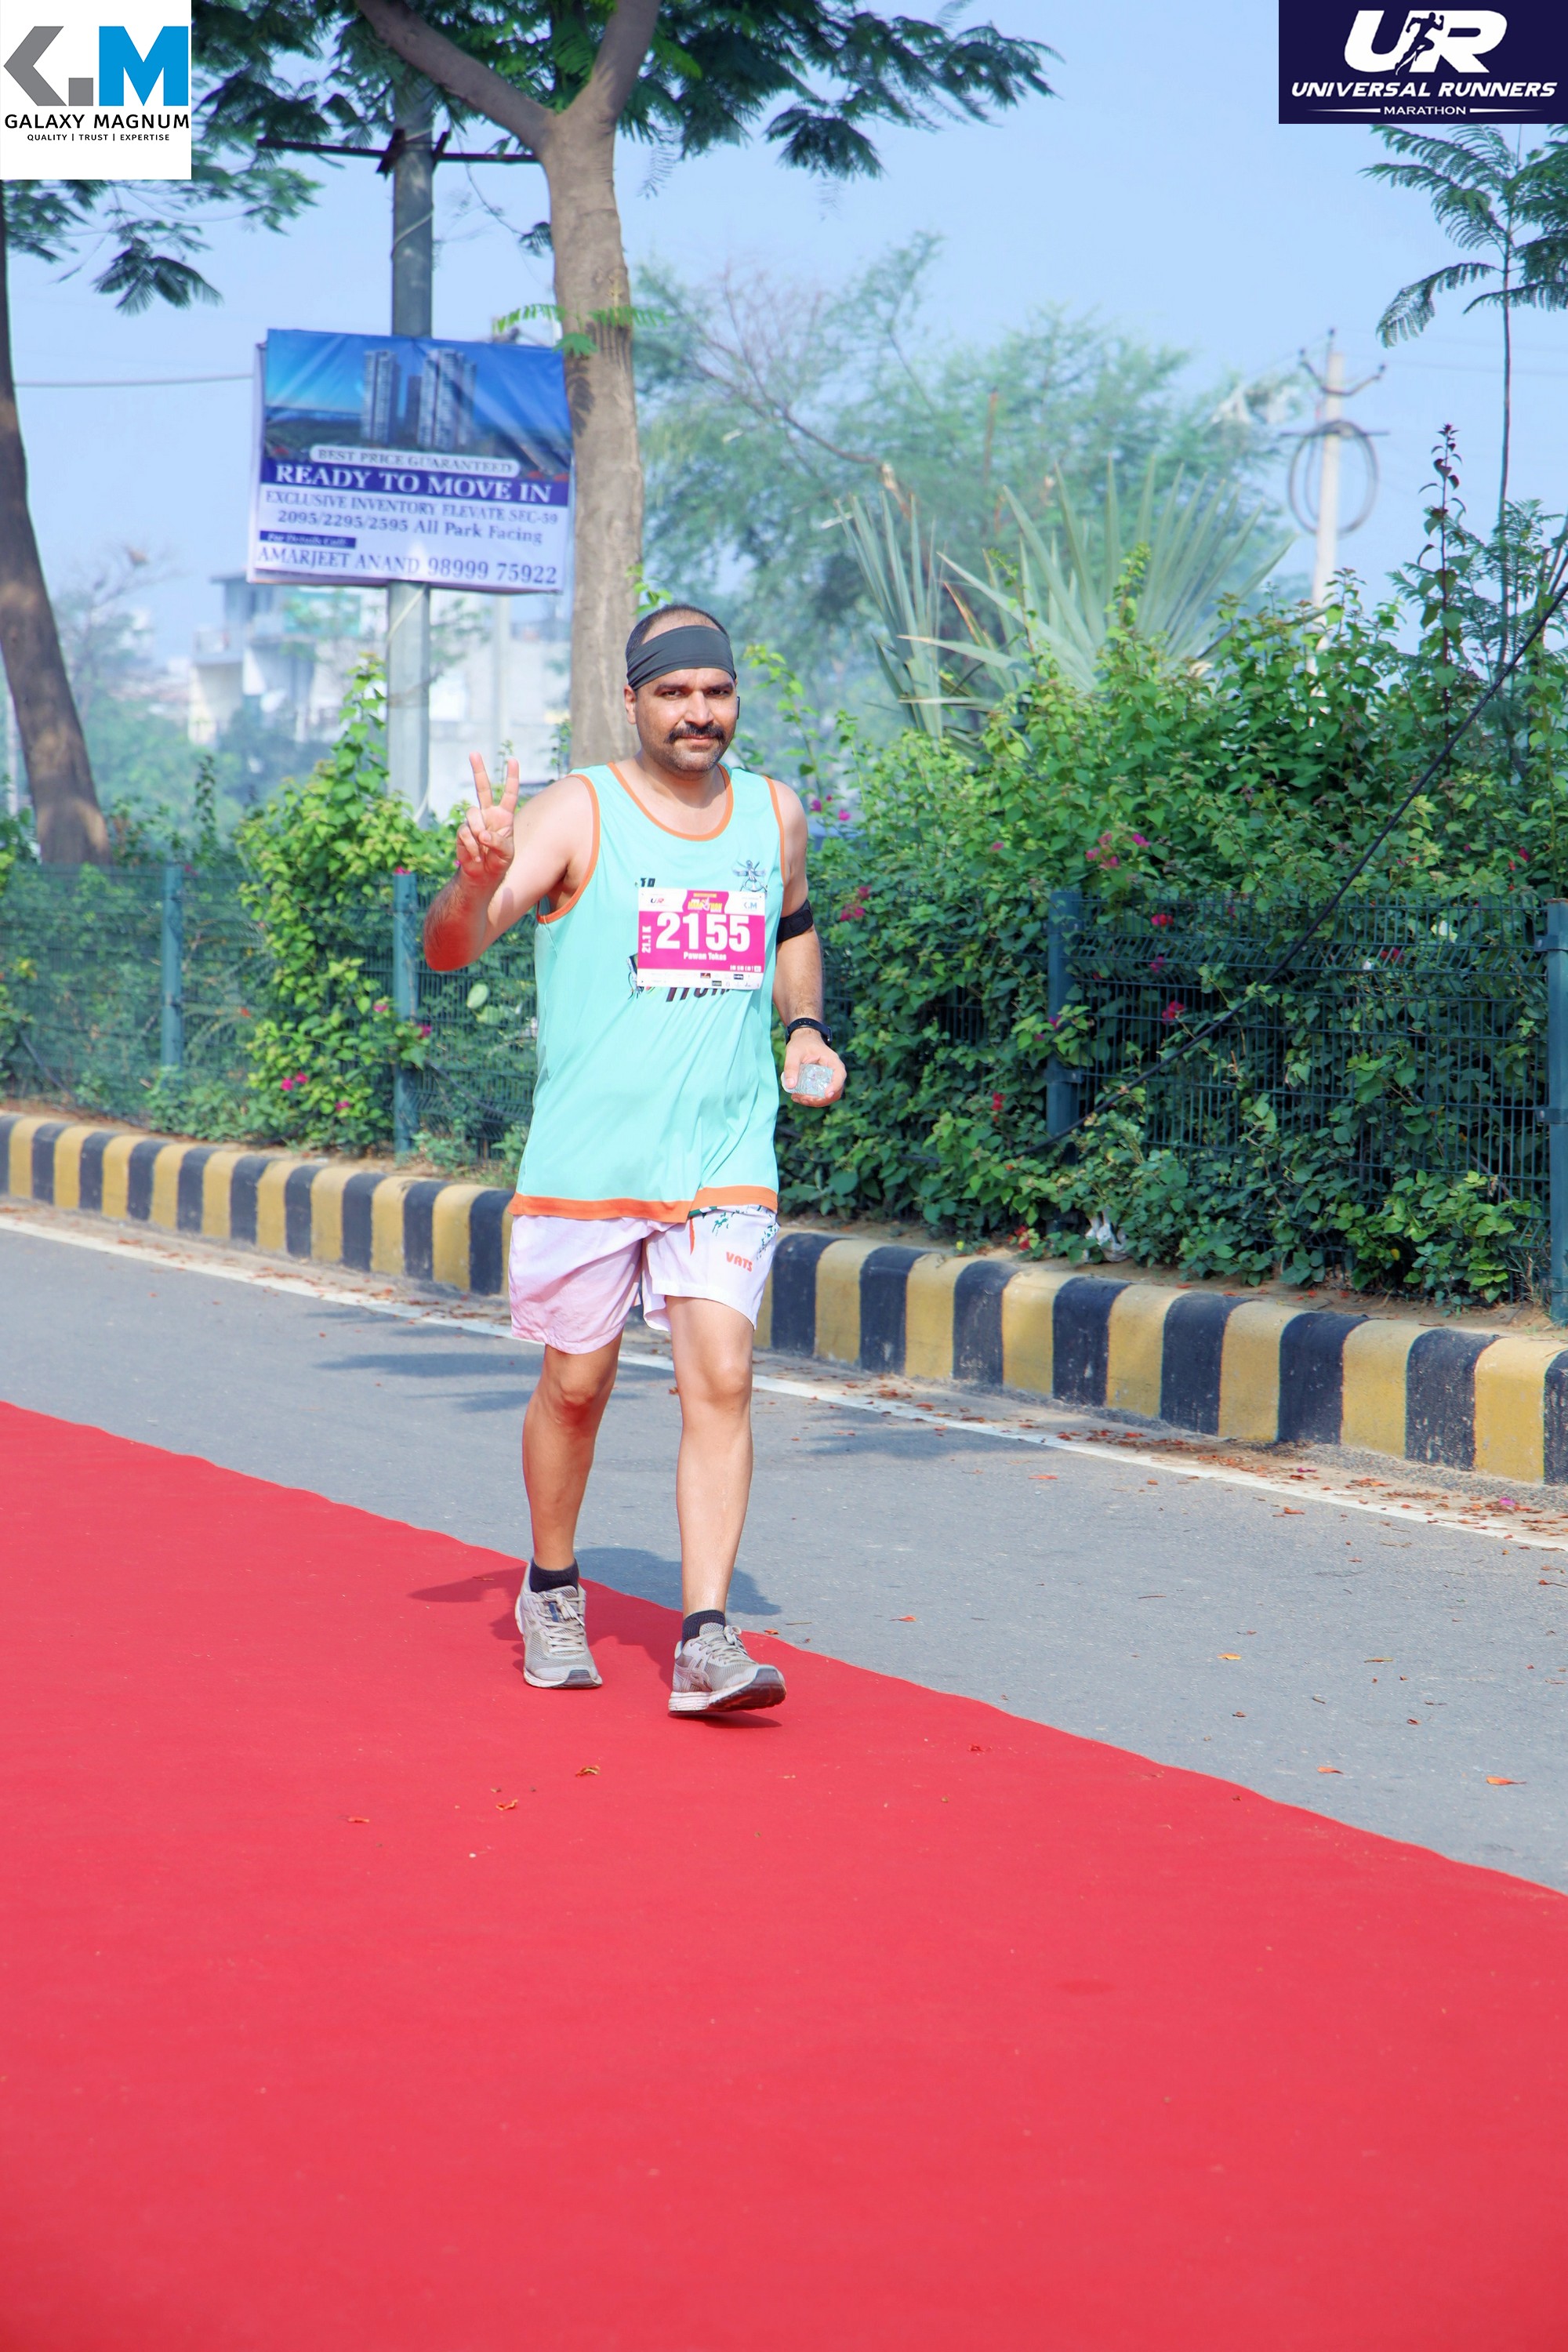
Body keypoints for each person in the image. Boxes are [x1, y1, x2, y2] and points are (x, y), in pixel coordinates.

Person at [423, 604, 845, 1715]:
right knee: (577, 1388)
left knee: (724, 1377)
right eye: (674, 693)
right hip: (591, 1159)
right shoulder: (578, 811)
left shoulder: (775, 812)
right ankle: (551, 1587)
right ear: (633, 701)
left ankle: (706, 1638)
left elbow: (793, 926)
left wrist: (804, 1028)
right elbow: (452, 946)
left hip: (723, 1150)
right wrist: (471, 878)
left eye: (716, 691)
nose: (699, 712)